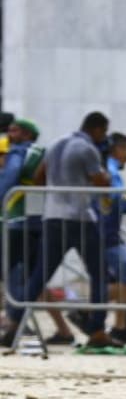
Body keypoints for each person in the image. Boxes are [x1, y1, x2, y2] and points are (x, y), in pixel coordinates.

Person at [5, 112, 115, 348]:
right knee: (99, 274)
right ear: (97, 129)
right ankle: (97, 330)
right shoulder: (87, 149)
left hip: (53, 217)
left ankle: (14, 322)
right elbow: (100, 181)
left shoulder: (55, 144)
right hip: (81, 218)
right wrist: (104, 176)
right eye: (103, 132)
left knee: (39, 276)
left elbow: (38, 177)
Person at [0, 117, 76, 346]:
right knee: (34, 280)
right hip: (40, 220)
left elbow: (9, 180)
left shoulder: (20, 151)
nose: (8, 135)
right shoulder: (43, 152)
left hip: (18, 221)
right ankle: (62, 330)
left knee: (16, 274)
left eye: (13, 131)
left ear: (24, 134)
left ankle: (13, 324)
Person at [97, 132, 126, 344]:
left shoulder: (107, 167)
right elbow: (117, 199)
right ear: (117, 149)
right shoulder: (111, 170)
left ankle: (120, 326)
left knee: (121, 279)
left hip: (106, 231)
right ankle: (88, 308)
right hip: (108, 233)